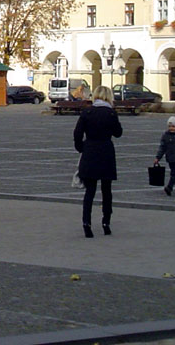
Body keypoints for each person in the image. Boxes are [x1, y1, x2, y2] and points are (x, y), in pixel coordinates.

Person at [73, 84, 122, 238]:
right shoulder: (111, 113)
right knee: (106, 190)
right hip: (106, 152)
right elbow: (118, 133)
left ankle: (86, 222)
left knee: (90, 191)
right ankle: (106, 222)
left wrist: (82, 148)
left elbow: (77, 133)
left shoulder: (87, 112)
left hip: (90, 151)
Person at [154, 116, 175, 196]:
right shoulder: (165, 135)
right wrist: (158, 157)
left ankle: (169, 187)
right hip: (169, 157)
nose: (171, 128)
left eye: (173, 126)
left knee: (174, 173)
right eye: (169, 126)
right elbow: (162, 147)